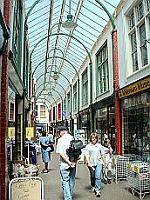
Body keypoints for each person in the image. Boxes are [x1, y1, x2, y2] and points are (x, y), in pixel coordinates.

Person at [56, 126, 77, 200]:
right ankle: (69, 196)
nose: (59, 134)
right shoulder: (73, 138)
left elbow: (61, 153)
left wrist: (68, 162)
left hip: (64, 164)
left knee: (65, 181)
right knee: (71, 180)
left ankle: (68, 198)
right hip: (73, 163)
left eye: (59, 132)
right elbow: (77, 152)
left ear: (63, 131)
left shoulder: (60, 140)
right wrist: (73, 162)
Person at [85, 132, 104, 197]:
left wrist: (104, 162)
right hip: (91, 163)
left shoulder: (99, 146)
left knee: (98, 176)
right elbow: (87, 156)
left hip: (99, 162)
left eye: (95, 138)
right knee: (93, 176)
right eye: (92, 138)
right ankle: (93, 185)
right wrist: (89, 163)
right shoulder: (88, 146)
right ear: (90, 138)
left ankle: (97, 190)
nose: (94, 139)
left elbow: (103, 154)